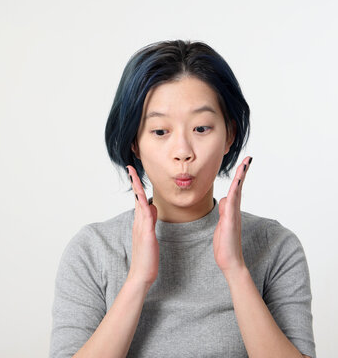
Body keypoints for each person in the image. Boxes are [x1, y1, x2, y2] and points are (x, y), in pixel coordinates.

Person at [49, 40, 316, 358]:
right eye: (160, 131)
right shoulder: (92, 251)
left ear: (229, 134)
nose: (183, 152)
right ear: (134, 141)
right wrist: (138, 280)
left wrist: (235, 270)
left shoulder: (275, 246)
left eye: (201, 128)